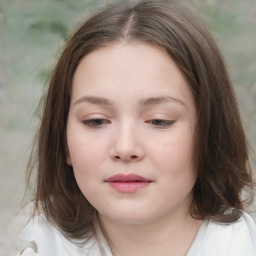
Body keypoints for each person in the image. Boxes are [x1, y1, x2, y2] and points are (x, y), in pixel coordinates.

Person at [11, 0, 256, 255]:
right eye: (96, 120)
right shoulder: (34, 245)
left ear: (211, 133)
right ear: (62, 140)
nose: (125, 148)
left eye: (159, 120)